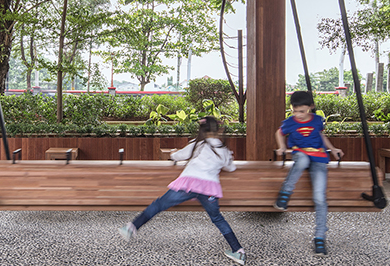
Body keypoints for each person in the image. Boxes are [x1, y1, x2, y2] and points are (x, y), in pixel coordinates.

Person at [118, 116, 246, 265]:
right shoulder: (223, 150)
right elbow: (231, 168)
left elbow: (178, 156)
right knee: (217, 218)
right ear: (217, 130)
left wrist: (172, 154)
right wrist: (228, 157)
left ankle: (132, 227)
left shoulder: (197, 144)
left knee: (159, 204)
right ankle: (238, 251)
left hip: (189, 185)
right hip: (209, 190)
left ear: (202, 130)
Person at [274, 90, 343, 256]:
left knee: (319, 197)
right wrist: (282, 147)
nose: (299, 115)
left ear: (311, 107)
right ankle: (285, 192)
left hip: (319, 157)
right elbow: (279, 132)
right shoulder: (291, 122)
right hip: (300, 152)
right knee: (303, 160)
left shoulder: (318, 120)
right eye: (295, 111)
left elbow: (321, 135)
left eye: (302, 111)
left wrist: (333, 149)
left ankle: (319, 237)